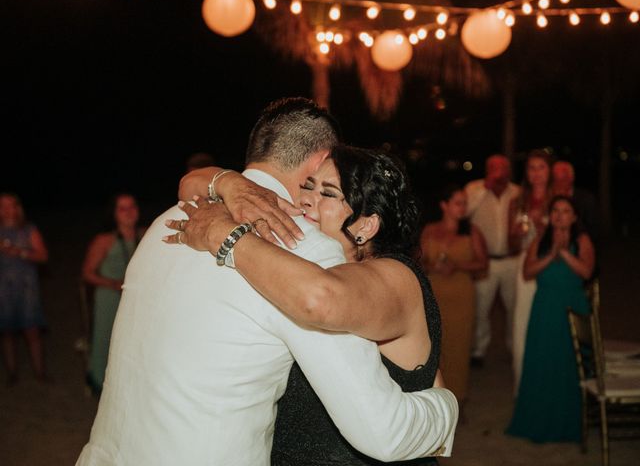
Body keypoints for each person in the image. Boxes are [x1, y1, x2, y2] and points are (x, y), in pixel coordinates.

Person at [75, 98, 457, 465]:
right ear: (321, 161)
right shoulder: (302, 247)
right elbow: (382, 431)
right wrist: (447, 409)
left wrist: (218, 181)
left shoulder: (170, 218)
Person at [169, 145, 447, 465]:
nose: (305, 199)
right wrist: (231, 184)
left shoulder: (397, 277)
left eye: (327, 193)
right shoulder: (312, 268)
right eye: (308, 186)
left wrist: (223, 235)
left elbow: (318, 299)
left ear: (366, 226)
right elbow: (191, 182)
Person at [506, 195, 595, 443]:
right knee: (543, 362)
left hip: (571, 307)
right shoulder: (540, 240)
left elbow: (587, 271)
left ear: (574, 216)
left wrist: (564, 253)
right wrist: (551, 253)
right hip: (544, 308)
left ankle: (569, 422)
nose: (559, 215)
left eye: (565, 211)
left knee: (568, 363)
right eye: (555, 210)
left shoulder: (582, 239)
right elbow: (527, 272)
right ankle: (539, 419)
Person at [419, 184, 487, 412]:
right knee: (435, 346)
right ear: (444, 205)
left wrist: (458, 265)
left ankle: (458, 400)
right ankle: (436, 401)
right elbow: (418, 262)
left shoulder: (472, 231)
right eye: (458, 203)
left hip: (461, 295)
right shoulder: (429, 230)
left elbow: (482, 263)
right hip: (435, 293)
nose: (463, 208)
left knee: (458, 346)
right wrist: (432, 266)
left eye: (464, 203)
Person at [81, 193, 144, 395]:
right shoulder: (104, 240)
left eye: (132, 206)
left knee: (136, 340)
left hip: (137, 298)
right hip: (109, 297)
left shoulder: (145, 235)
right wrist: (113, 283)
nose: (129, 212)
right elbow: (87, 273)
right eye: (122, 208)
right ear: (114, 214)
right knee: (105, 339)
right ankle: (98, 382)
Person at [464, 154, 520, 367]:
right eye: (494, 168)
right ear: (487, 169)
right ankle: (478, 349)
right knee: (481, 306)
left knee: (513, 307)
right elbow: (465, 212)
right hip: (484, 260)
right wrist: (486, 187)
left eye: (503, 168)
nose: (499, 172)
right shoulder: (474, 189)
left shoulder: (517, 192)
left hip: (510, 259)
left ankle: (515, 347)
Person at [508, 149, 553, 393]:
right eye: (532, 168)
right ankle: (524, 387)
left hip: (551, 263)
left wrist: (541, 227)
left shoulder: (558, 199)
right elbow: (511, 244)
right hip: (524, 264)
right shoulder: (517, 202)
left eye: (541, 168)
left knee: (549, 324)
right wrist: (516, 235)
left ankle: (550, 385)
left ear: (549, 172)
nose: (536, 173)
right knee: (522, 324)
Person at [0, 192, 49, 385]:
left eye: (10, 205)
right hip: (3, 288)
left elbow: (43, 256)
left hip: (27, 286)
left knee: (32, 331)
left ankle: (40, 373)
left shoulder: (28, 230)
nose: (7, 210)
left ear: (17, 207)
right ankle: (12, 374)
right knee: (7, 332)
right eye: (2, 206)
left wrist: (19, 252)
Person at [552, 160, 599, 247]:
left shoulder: (586, 199)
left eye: (563, 180)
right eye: (556, 180)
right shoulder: (549, 198)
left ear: (571, 178)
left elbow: (593, 230)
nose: (559, 184)